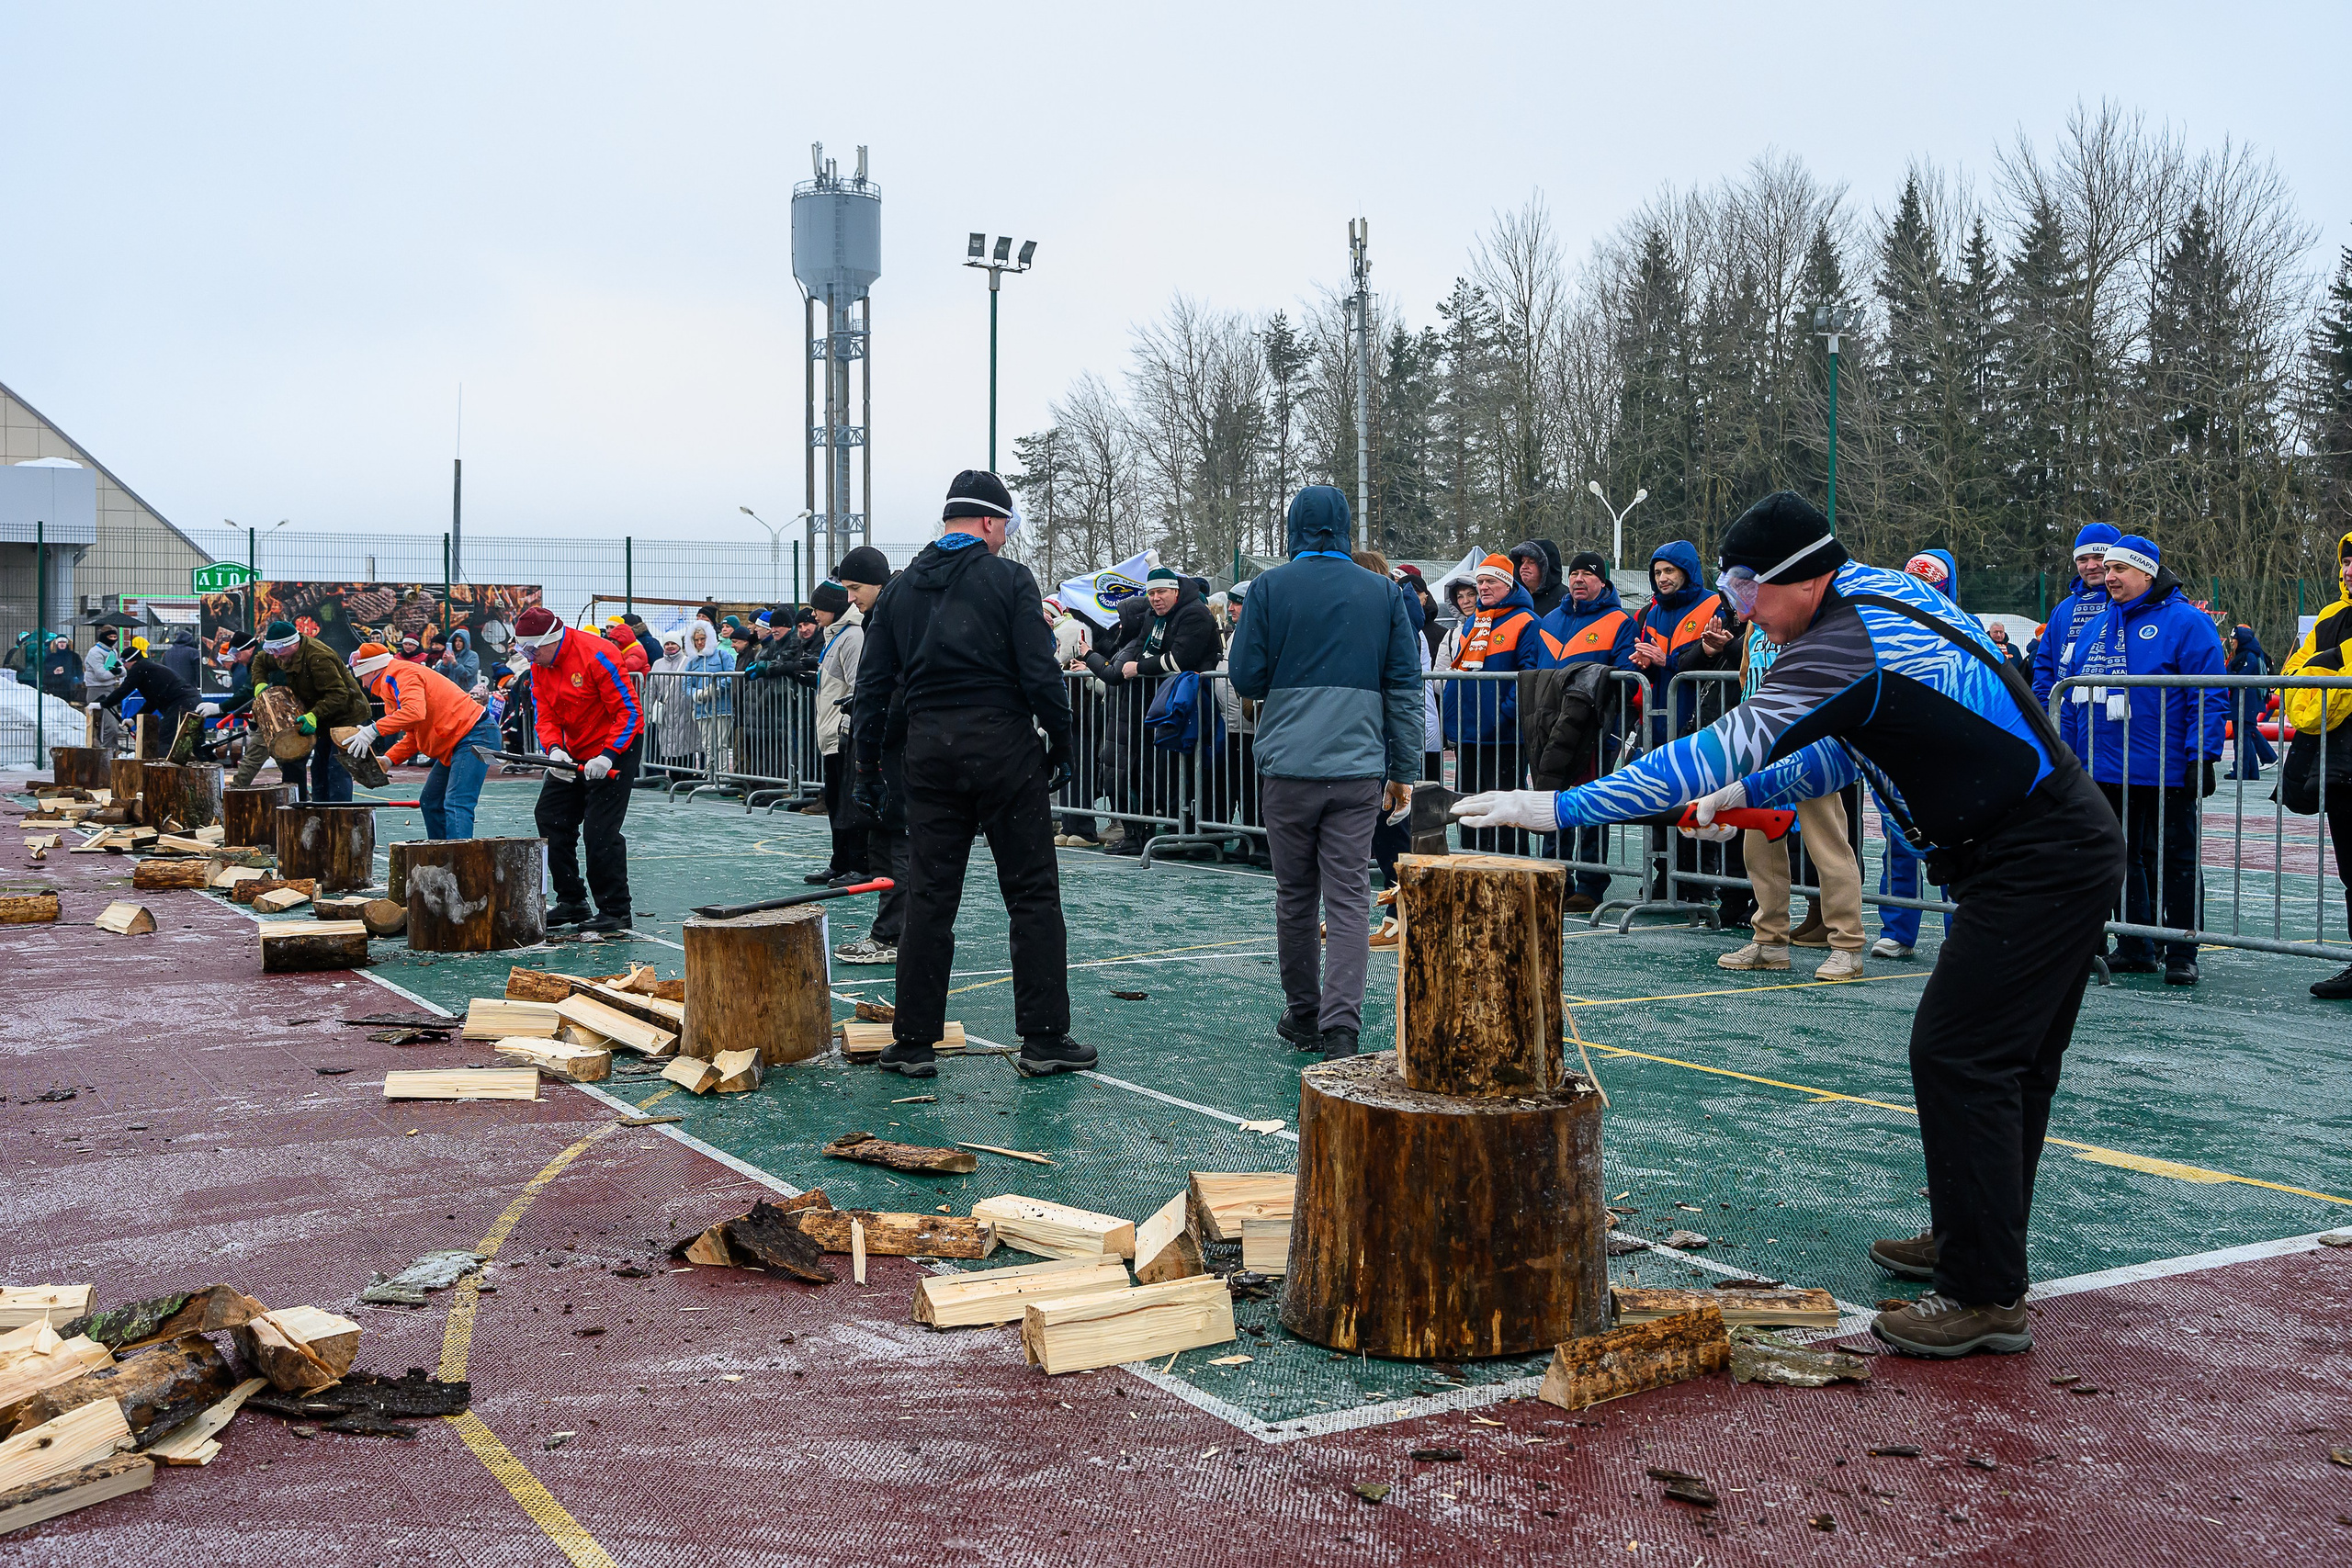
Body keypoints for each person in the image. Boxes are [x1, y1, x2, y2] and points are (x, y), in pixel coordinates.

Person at [1454, 490, 2125, 1359]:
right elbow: (1850, 741)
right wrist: (1744, 796)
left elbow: (1720, 742)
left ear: (1797, 580)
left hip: (2043, 855)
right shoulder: (1875, 596)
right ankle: (1975, 1240)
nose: (1735, 607)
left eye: (1744, 586)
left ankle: (1986, 1293)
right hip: (2034, 844)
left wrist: (1562, 806)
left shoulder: (1842, 641)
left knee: (1962, 1052)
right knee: (2009, 1061)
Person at [850, 469, 1086, 1079]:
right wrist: (1062, 743)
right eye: (1004, 524)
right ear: (987, 521)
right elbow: (1040, 673)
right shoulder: (1008, 580)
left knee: (929, 896)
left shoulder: (900, 592)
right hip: (1004, 749)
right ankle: (1043, 1038)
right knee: (1032, 892)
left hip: (930, 755)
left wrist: (867, 766)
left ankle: (913, 1041)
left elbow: (873, 687)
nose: (1006, 536)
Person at [1228, 487, 1420, 1058]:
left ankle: (1304, 1014)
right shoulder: (1385, 593)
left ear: (1294, 528)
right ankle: (1343, 1025)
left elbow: (1246, 678)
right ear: (1343, 530)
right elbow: (1406, 691)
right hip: (1358, 768)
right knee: (1348, 895)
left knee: (1294, 894)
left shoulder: (1268, 587)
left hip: (1288, 766)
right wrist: (1403, 768)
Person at [2079, 536, 2226, 985]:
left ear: (2147, 573)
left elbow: (2208, 696)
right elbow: (2073, 696)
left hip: (2166, 768)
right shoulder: (2097, 624)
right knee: (2119, 858)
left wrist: (2201, 755)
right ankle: (2136, 946)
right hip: (2104, 766)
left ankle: (2182, 951)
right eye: (2107, 570)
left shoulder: (2187, 623)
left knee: (2176, 858)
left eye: (2120, 570)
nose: (2109, 577)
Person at [1718, 614, 1866, 977]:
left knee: (1828, 844)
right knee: (1759, 845)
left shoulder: (1817, 615)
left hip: (1810, 744)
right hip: (1761, 745)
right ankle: (1769, 941)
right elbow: (1745, 677)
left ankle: (1848, 945)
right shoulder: (1754, 622)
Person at [513, 604, 642, 932]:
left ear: (551, 639)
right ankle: (572, 900)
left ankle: (615, 909)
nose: (529, 656)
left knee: (600, 830)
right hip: (572, 750)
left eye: (532, 649)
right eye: (523, 649)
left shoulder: (598, 654)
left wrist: (609, 755)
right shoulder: (539, 666)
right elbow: (546, 715)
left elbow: (628, 712)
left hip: (615, 748)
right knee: (550, 817)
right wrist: (554, 749)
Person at [1531, 549, 1640, 913]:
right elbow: (1533, 671)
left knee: (1592, 804)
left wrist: (1612, 724)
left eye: (1587, 574)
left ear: (1603, 581)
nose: (1578, 579)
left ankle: (1591, 883)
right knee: (1551, 800)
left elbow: (1626, 677)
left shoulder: (1619, 622)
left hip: (1593, 730)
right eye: (1574, 573)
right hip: (1551, 726)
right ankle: (1556, 877)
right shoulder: (1548, 621)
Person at [1085, 565, 1219, 855]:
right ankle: (1155, 832)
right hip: (1159, 705)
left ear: (1175, 591)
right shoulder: (1152, 617)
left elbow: (1179, 661)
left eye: (1161, 592)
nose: (1156, 599)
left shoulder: (1195, 613)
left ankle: (1185, 834)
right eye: (1151, 593)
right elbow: (1147, 656)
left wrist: (1139, 668)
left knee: (1183, 772)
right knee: (1155, 772)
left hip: (1189, 705)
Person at [1873, 550, 1962, 959]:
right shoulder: (1885, 626)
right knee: (1899, 842)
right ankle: (1897, 929)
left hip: (1947, 755)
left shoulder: (1963, 629)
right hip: (1897, 752)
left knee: (1956, 845)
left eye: (1929, 582)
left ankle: (1960, 931)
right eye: (1912, 579)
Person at [2278, 527, 2352, 1000]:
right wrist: (2329, 669)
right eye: (2347, 562)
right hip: (2342, 762)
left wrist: (2329, 666)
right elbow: (2290, 672)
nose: (2349, 570)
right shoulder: (2329, 616)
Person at [347, 642, 500, 840]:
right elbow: (415, 735)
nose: (363, 685)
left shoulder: (401, 674)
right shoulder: (393, 682)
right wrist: (388, 759)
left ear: (372, 669)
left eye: (361, 677)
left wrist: (373, 730)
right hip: (460, 737)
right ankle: (442, 855)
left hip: (474, 734)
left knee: (457, 802)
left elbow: (414, 712)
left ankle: (460, 863)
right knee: (430, 801)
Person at [1441, 555, 1538, 852]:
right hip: (1470, 734)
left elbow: (1528, 675)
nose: (1482, 587)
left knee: (1505, 810)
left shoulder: (1526, 622)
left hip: (1504, 737)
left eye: (1490, 581)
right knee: (1470, 807)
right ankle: (1471, 866)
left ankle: (1511, 873)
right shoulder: (1473, 621)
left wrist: (1502, 718)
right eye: (1480, 581)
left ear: (1507, 584)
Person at [210, 621, 371, 797]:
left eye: (278, 652)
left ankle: (339, 815)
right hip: (323, 714)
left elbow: (339, 695)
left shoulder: (318, 657)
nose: (276, 657)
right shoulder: (281, 653)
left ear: (292, 644)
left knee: (336, 767)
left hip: (346, 715)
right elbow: (260, 661)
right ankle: (318, 810)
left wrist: (313, 715)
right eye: (272, 652)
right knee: (319, 767)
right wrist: (260, 683)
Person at [98, 645, 201, 755]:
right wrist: (133, 720)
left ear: (130, 660)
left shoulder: (139, 668)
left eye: (124, 662)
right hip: (193, 701)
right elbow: (153, 702)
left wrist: (103, 704)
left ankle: (166, 768)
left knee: (164, 739)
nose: (124, 666)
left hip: (181, 704)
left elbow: (124, 690)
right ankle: (203, 761)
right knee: (193, 739)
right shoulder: (149, 668)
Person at [2222, 623, 2278, 781]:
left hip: (2245, 702)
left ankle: (2243, 770)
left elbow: (2241, 677)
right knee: (2244, 736)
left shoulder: (2249, 656)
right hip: (2243, 701)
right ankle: (2251, 771)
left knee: (2243, 738)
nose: (2232, 642)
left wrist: (2226, 675)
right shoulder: (2247, 655)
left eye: (2234, 639)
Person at [83, 626, 125, 750]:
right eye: (110, 637)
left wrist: (116, 671)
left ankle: (109, 753)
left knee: (110, 726)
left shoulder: (112, 651)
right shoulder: (95, 653)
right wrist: (116, 672)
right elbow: (101, 675)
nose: (113, 640)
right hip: (97, 691)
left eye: (115, 637)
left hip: (110, 689)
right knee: (107, 727)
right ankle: (107, 754)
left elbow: (123, 671)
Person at [1509, 539, 1566, 616]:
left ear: (1546, 567)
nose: (1524, 567)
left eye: (1531, 562)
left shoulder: (1565, 600)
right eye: (1522, 562)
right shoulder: (1515, 599)